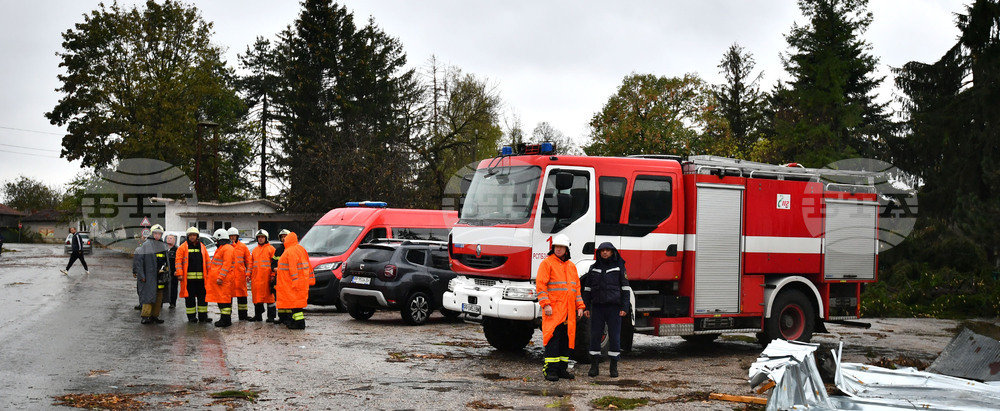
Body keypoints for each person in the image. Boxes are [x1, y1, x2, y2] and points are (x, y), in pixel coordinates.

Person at [535, 234, 585, 382]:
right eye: (556, 247)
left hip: (569, 312)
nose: (558, 249)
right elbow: (541, 286)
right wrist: (546, 304)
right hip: (554, 311)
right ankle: (550, 371)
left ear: (566, 249)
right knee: (552, 340)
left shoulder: (571, 267)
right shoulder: (547, 263)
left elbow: (576, 289)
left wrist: (580, 307)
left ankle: (562, 369)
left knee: (566, 341)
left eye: (561, 247)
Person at [582, 242, 631, 378]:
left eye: (607, 251)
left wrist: (624, 307)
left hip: (614, 308)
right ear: (599, 253)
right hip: (597, 307)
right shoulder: (593, 268)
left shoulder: (619, 267)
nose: (605, 253)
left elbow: (625, 288)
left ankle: (613, 367)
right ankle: (594, 366)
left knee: (614, 337)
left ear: (612, 252)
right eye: (602, 250)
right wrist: (585, 307)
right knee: (595, 336)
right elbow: (587, 289)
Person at [275, 231, 313, 329]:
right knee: (297, 303)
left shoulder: (290, 251)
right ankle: (296, 322)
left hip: (291, 283)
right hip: (301, 282)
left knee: (295, 304)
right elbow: (308, 265)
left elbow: (293, 268)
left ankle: (299, 324)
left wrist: (294, 281)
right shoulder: (301, 249)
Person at [135, 224, 169, 324]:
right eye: (155, 233)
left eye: (159, 234)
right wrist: (142, 275)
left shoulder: (163, 245)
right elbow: (139, 262)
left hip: (160, 276)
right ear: (152, 233)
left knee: (159, 297)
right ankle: (145, 316)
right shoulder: (146, 245)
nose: (157, 236)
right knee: (148, 296)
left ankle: (155, 316)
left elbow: (165, 260)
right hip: (149, 276)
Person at [175, 227, 210, 323]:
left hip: (202, 279)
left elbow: (207, 261)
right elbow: (178, 262)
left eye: (194, 235)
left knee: (203, 298)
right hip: (188, 279)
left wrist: (209, 274)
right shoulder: (182, 247)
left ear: (197, 236)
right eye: (190, 235)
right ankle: (191, 317)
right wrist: (179, 274)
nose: (192, 237)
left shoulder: (202, 246)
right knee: (190, 299)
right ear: (188, 236)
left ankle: (203, 317)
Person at [206, 228, 236, 327]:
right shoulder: (224, 248)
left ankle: (225, 320)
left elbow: (226, 265)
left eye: (216, 240)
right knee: (222, 301)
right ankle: (224, 319)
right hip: (222, 280)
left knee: (224, 302)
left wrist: (220, 277)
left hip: (224, 281)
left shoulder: (227, 248)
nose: (215, 242)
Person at [249, 229, 277, 322]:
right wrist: (248, 274)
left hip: (267, 278)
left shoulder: (271, 249)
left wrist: (273, 275)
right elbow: (251, 264)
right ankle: (258, 316)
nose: (260, 239)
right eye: (259, 237)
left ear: (266, 238)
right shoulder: (255, 250)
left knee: (270, 298)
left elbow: (275, 263)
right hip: (256, 278)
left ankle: (271, 316)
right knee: (257, 298)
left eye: (262, 237)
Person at [227, 227, 252, 321]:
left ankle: (243, 316)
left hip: (241, 276)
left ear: (237, 236)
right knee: (228, 296)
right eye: (231, 236)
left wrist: (248, 273)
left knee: (242, 296)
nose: (232, 238)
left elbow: (248, 261)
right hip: (229, 276)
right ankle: (227, 315)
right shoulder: (226, 247)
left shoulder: (243, 247)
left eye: (234, 236)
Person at [270, 229, 291, 324]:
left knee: (288, 298)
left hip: (289, 279)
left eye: (285, 236)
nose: (283, 238)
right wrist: (274, 269)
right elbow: (273, 264)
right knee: (280, 298)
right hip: (279, 279)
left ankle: (289, 318)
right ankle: (282, 317)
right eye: (282, 237)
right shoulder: (278, 250)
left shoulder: (291, 249)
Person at [165, 234, 179, 309]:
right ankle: (161, 302)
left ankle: (172, 303)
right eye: (168, 238)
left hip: (173, 272)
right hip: (164, 272)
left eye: (171, 238)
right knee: (163, 287)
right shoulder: (164, 249)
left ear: (174, 240)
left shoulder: (177, 249)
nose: (169, 239)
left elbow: (178, 261)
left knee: (173, 288)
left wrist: (177, 271)